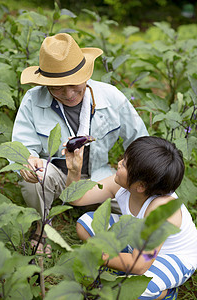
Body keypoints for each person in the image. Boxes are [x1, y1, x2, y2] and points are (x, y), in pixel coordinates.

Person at [11, 33, 148, 256]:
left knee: (138, 203)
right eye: (57, 88)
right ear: (46, 84)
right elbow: (22, 145)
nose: (69, 94)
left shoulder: (111, 97)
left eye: (74, 84)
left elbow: (140, 140)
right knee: (36, 178)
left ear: (86, 74)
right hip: (56, 176)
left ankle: (109, 222)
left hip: (99, 178)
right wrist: (28, 160)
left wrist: (141, 174)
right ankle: (43, 226)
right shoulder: (32, 101)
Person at [63, 136, 197, 300]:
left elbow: (140, 265)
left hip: (172, 258)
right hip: (138, 241)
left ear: (140, 186)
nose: (119, 163)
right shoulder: (119, 184)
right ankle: (121, 267)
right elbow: (76, 198)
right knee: (85, 225)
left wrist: (97, 256)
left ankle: (165, 292)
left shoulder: (161, 211)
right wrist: (74, 171)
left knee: (131, 290)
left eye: (125, 164)